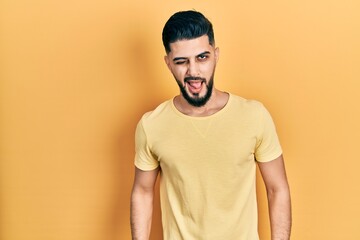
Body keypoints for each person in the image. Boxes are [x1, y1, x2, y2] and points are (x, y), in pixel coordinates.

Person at [130, 10, 291, 240]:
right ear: (168, 64)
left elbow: (278, 189)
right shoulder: (151, 125)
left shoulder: (254, 116)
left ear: (216, 55)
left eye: (202, 57)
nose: (193, 71)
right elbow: (143, 192)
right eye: (181, 61)